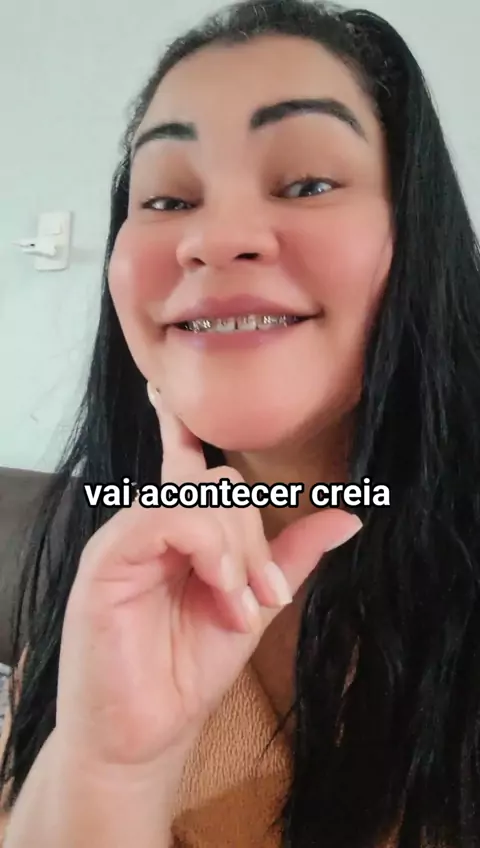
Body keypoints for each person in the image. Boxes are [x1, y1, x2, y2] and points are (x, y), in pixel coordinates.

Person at [1, 0, 480, 844]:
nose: (213, 238)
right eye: (166, 197)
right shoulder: (105, 561)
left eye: (309, 183)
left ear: (419, 233)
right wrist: (106, 770)